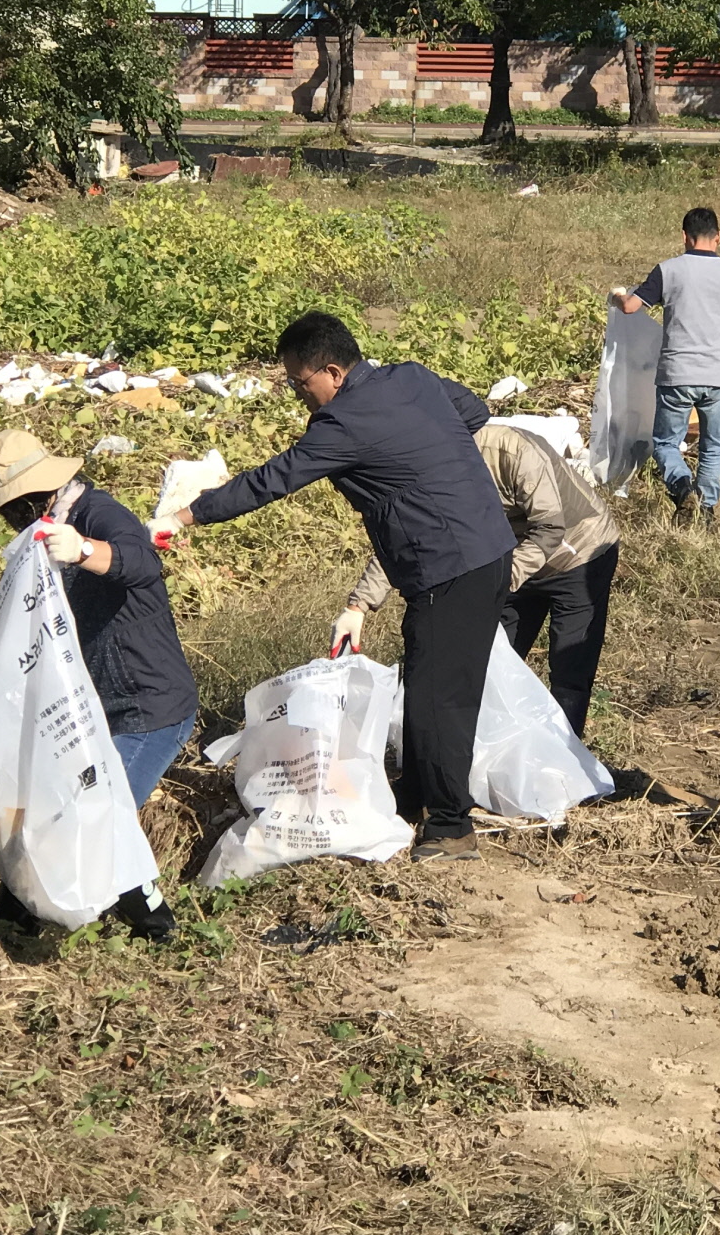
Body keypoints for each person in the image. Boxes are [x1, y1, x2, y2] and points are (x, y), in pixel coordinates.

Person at [154, 312, 516, 863]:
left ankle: (450, 825)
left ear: (333, 371)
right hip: (487, 545)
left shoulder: (343, 423)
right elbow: (474, 410)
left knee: (441, 698)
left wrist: (185, 517)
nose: (301, 395)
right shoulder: (412, 378)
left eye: (302, 383)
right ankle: (416, 797)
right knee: (424, 683)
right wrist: (426, 458)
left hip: (449, 564)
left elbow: (271, 480)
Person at [0, 428, 194, 939]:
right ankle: (11, 923)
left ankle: (160, 928)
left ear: (28, 495)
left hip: (149, 706)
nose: (4, 519)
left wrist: (84, 549)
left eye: (6, 507)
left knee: (99, 814)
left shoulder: (96, 516)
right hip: (87, 705)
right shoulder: (45, 528)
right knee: (42, 808)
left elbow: (142, 562)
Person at [338, 419, 622, 737]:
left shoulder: (513, 451)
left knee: (570, 668)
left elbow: (549, 529)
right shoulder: (428, 466)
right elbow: (406, 536)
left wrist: (498, 582)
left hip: (580, 552)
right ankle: (492, 750)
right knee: (487, 662)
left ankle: (564, 763)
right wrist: (358, 606)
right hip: (511, 556)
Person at [611, 206, 720, 525]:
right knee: (712, 447)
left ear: (684, 237)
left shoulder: (668, 270)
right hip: (717, 378)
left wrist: (617, 295)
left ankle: (684, 490)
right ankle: (707, 510)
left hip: (676, 376)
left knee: (665, 444)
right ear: (718, 238)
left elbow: (630, 307)